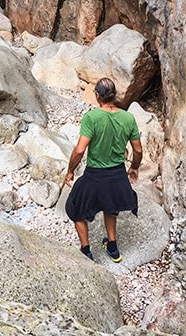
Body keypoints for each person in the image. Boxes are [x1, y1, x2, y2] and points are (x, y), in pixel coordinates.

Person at [64, 77, 142, 262]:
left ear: (97, 96)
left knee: (74, 209)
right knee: (110, 206)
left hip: (95, 175)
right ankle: (112, 248)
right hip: (117, 175)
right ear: (114, 95)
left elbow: (80, 150)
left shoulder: (91, 118)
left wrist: (70, 171)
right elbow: (137, 149)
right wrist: (134, 168)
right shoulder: (128, 117)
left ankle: (86, 251)